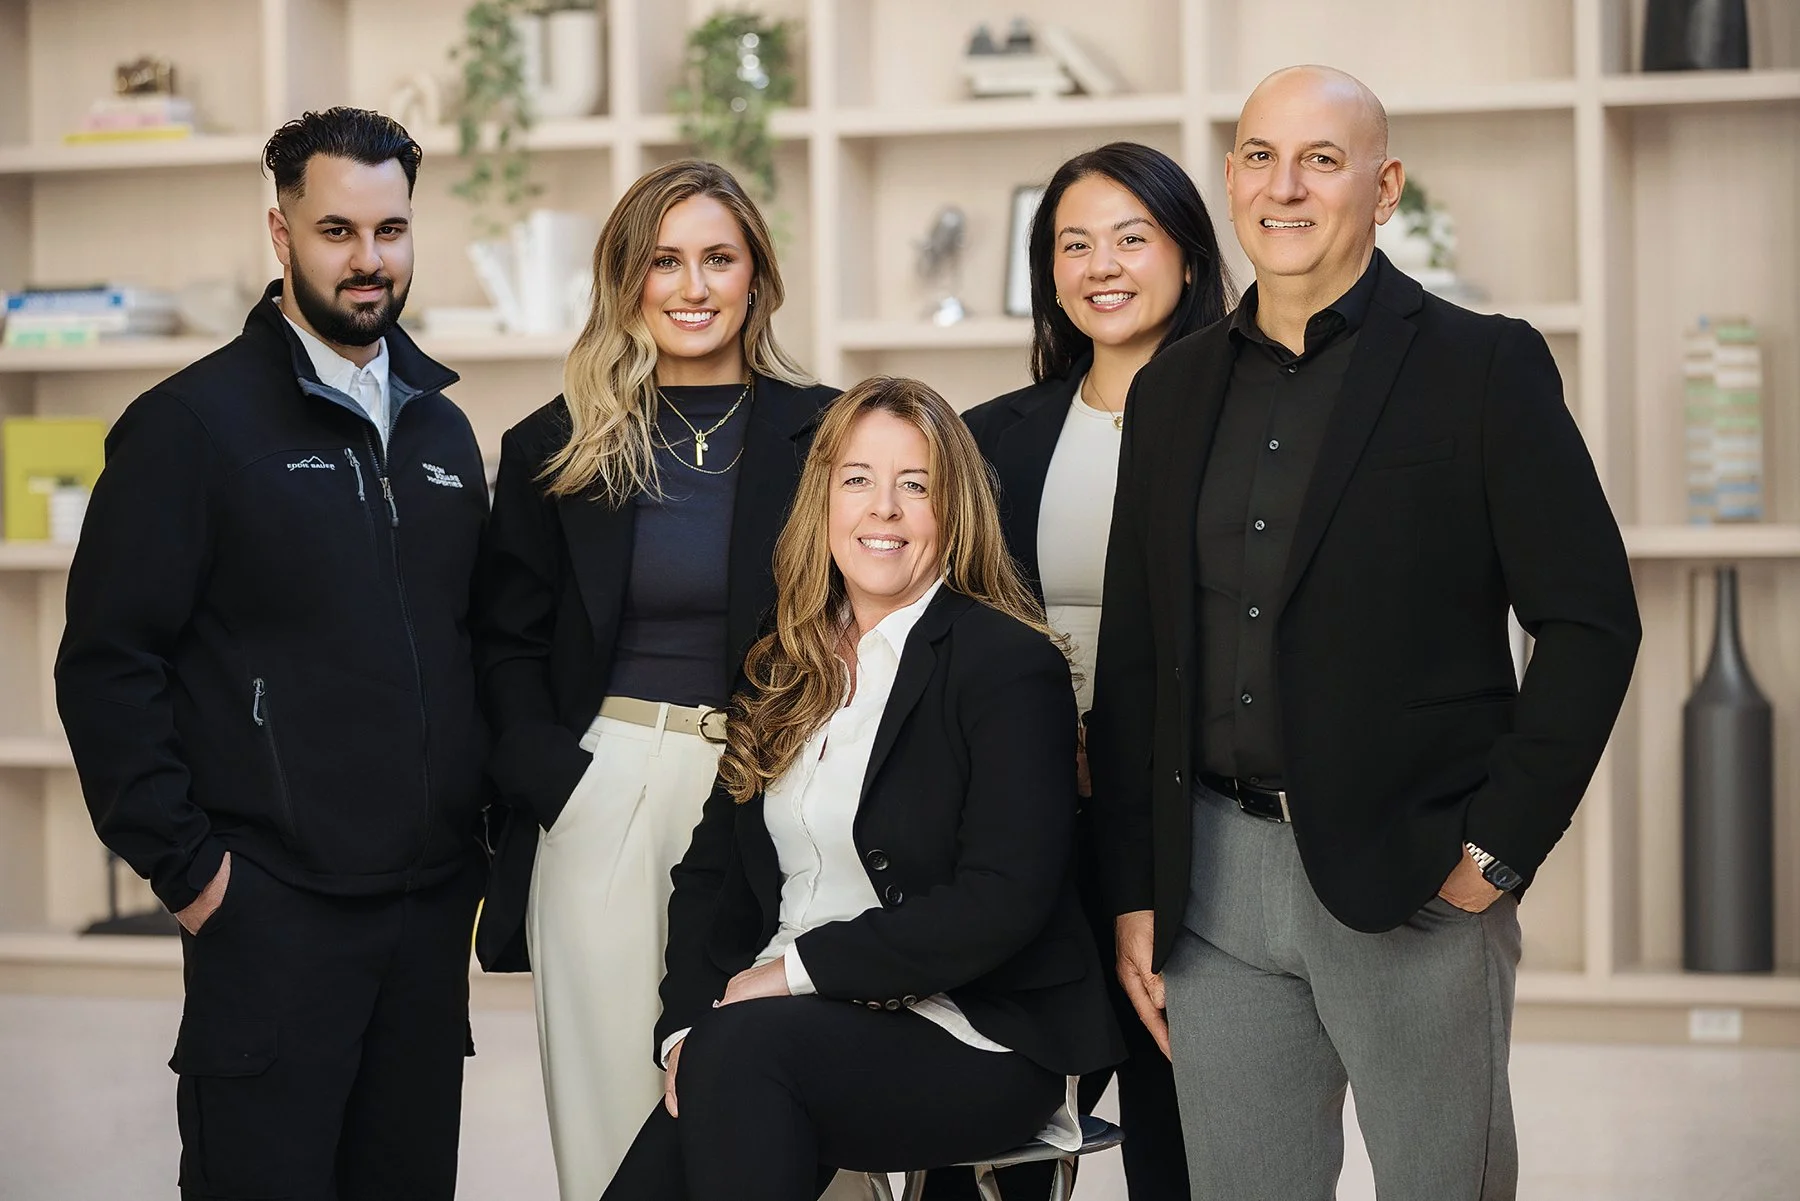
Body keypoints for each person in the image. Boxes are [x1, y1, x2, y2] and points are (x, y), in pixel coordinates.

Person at [1087, 66, 1641, 1201]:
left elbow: (1591, 621)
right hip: (1212, 893)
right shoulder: (1173, 389)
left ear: (1383, 188)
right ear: (1230, 178)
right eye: (1256, 156)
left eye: (1320, 160)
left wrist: (1499, 849)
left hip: (1416, 873)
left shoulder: (1484, 367)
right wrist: (1137, 884)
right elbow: (1142, 654)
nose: (1282, 187)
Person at [55, 108, 489, 1200]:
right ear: (280, 230)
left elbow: (464, 643)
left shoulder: (442, 433)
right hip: (272, 911)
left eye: (389, 230)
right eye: (336, 230)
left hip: (425, 914)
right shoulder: (191, 428)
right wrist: (192, 873)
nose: (368, 260)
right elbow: (109, 663)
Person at [599, 376, 1124, 1201]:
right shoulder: (780, 666)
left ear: (952, 513)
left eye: (915, 485)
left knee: (742, 1054)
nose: (884, 508)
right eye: (858, 480)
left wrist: (795, 971)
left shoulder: (1006, 664)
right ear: (823, 502)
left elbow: (1004, 897)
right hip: (774, 1032)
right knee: (711, 1078)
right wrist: (683, 1029)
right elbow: (710, 880)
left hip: (972, 1031)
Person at [471, 159, 839, 1200]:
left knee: (790, 1098)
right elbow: (504, 644)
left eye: (717, 258)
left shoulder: (831, 435)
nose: (690, 285)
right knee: (614, 1113)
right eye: (662, 261)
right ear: (625, 281)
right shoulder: (553, 444)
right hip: (606, 790)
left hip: (781, 786)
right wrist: (563, 786)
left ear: (758, 277)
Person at [957, 140, 1231, 1201]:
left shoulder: (1250, 424)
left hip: (1189, 828)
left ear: (1188, 253)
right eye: (1074, 243)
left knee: (1180, 1126)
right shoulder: (991, 440)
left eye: (1131, 236)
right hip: (1023, 825)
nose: (1102, 265)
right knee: (999, 1132)